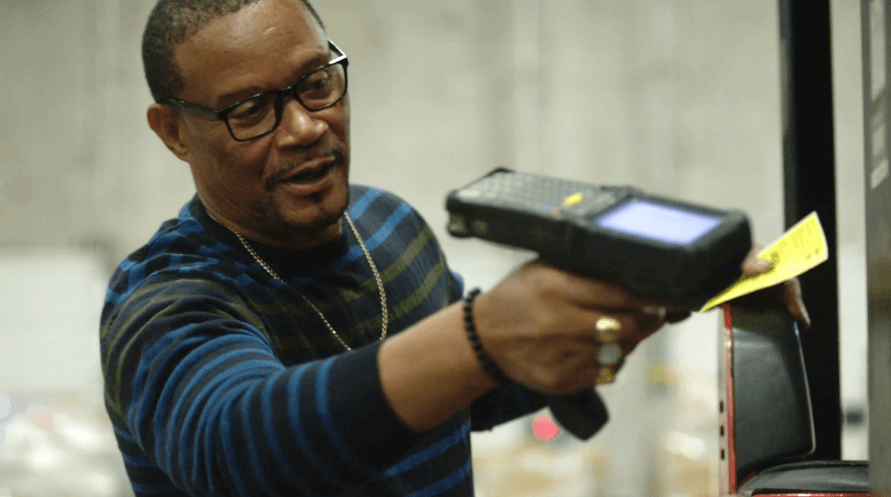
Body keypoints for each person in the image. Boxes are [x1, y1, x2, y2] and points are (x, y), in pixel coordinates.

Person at [100, 0, 811, 495]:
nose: (306, 128)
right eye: (250, 109)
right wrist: (484, 333)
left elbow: (457, 389)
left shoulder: (388, 225)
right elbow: (240, 444)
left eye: (317, 83)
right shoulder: (163, 300)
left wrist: (655, 286)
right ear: (172, 130)